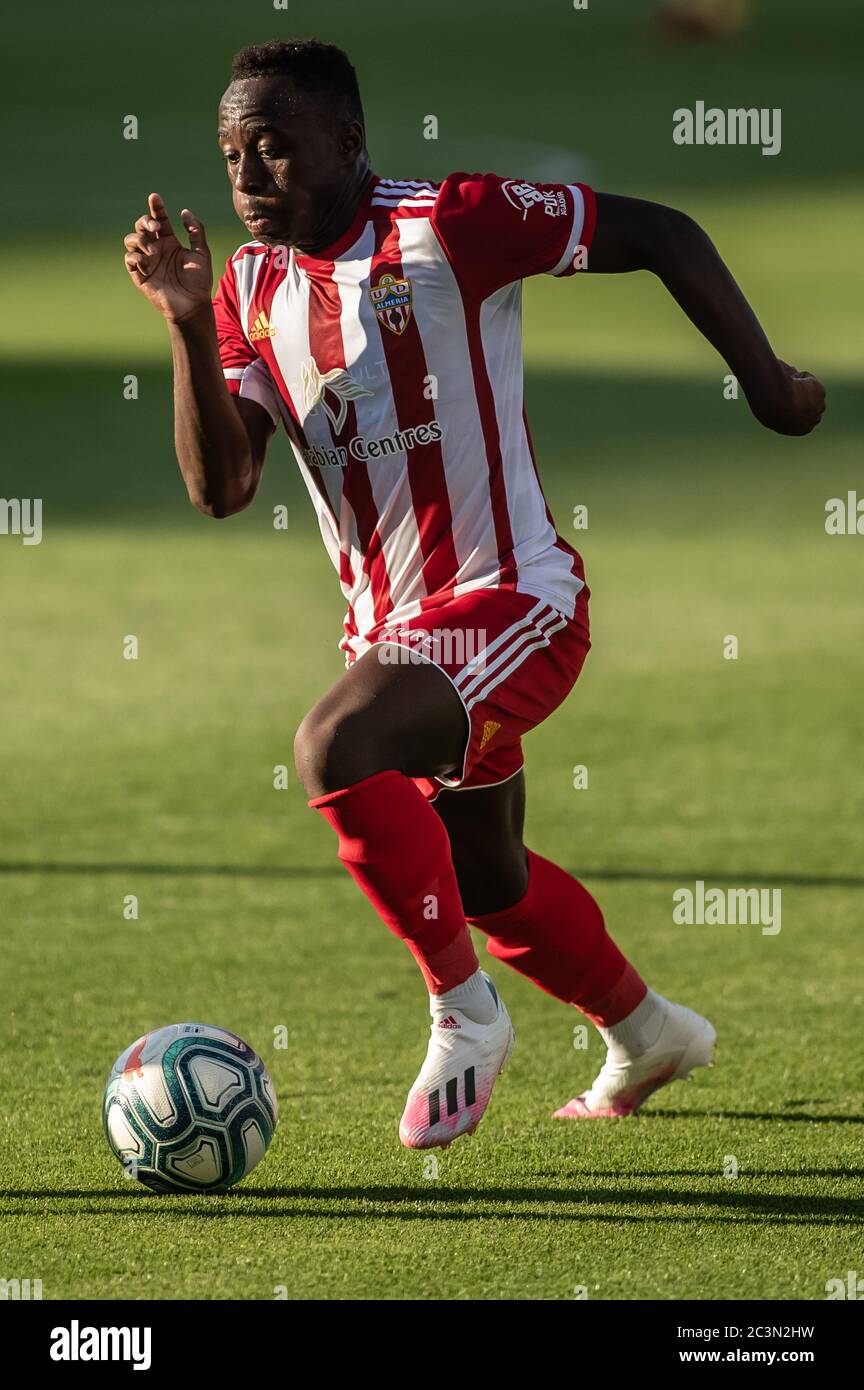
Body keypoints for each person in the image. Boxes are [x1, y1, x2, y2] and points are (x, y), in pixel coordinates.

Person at [123, 38, 825, 1150]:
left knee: (331, 747)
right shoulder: (251, 288)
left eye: (274, 148)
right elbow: (224, 485)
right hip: (399, 637)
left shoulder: (448, 221)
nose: (250, 179)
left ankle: (464, 1014)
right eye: (231, 156)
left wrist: (771, 384)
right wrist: (181, 319)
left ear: (349, 144)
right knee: (487, 882)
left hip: (515, 602)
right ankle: (650, 1033)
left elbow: (659, 232)